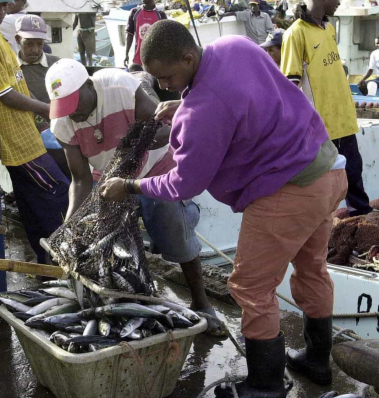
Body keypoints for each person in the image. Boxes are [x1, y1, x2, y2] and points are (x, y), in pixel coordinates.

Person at [99, 20, 347, 397]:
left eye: (168, 76)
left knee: (249, 286)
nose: (164, 85)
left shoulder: (203, 112)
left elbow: (183, 183)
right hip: (328, 170)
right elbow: (238, 93)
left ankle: (264, 387)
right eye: (157, 81)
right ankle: (317, 361)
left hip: (288, 192)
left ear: (187, 56)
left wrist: (130, 185)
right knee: (312, 268)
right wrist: (184, 101)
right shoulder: (235, 46)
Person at [45, 59, 226, 336]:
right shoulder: (63, 124)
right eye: (65, 108)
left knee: (176, 230)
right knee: (107, 248)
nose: (72, 114)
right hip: (107, 179)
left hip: (154, 170)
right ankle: (132, 304)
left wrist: (148, 140)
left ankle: (202, 304)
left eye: (75, 104)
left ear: (88, 85)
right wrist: (69, 225)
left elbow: (164, 127)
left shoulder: (120, 87)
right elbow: (80, 179)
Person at [0, 0, 69, 264]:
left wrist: (41, 119)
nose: (0, 10)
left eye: (3, 5)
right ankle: (61, 260)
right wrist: (47, 109)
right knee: (59, 194)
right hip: (17, 141)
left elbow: (18, 85)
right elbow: (4, 94)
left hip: (28, 134)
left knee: (32, 204)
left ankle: (45, 262)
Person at [281, 0, 373, 218]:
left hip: (343, 118)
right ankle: (323, 224)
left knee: (354, 172)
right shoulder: (295, 34)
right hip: (321, 125)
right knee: (325, 182)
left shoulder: (329, 29)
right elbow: (290, 85)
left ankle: (360, 215)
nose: (340, 2)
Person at [15, 14, 70, 178]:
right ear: (18, 39)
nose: (35, 49)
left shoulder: (57, 64)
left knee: (64, 177)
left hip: (57, 137)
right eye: (29, 44)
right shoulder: (10, 68)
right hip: (24, 138)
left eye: (39, 44)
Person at [125, 0, 167, 66]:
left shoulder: (161, 15)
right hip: (138, 59)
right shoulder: (134, 12)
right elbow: (129, 34)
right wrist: (126, 54)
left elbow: (164, 38)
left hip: (155, 61)